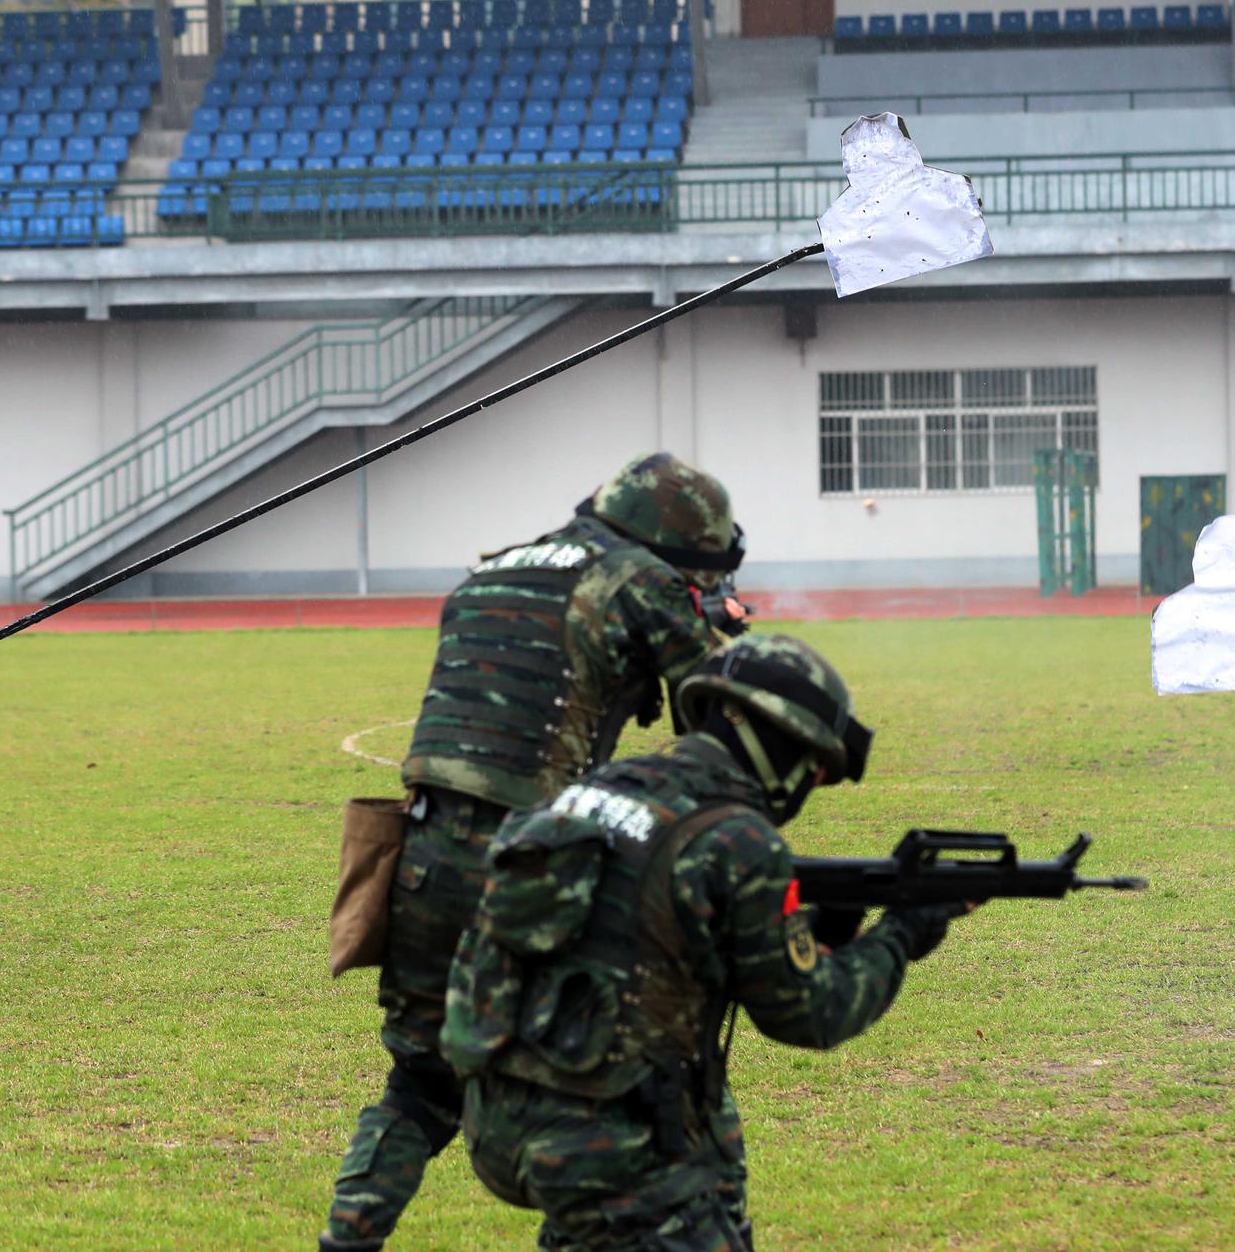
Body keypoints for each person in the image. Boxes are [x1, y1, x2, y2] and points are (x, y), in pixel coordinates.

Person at [322, 452, 747, 1251]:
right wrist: (716, 628)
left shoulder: (490, 572)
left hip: (421, 855)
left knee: (419, 1083)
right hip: (537, 862)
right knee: (602, 1076)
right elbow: (718, 714)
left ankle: (346, 1239)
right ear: (674, 545)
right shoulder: (638, 580)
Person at [440, 634, 965, 1251]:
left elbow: (664, 942)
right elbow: (811, 1013)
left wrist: (833, 921)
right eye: (815, 770)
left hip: (513, 1128)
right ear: (782, 744)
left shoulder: (593, 794)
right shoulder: (736, 841)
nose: (809, 786)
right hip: (628, 1168)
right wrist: (903, 935)